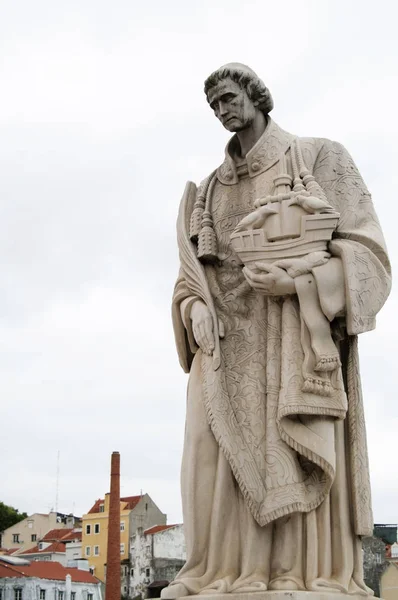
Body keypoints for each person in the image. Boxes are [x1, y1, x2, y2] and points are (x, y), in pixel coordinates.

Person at [163, 63, 391, 598]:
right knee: (207, 450)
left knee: (289, 448)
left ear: (255, 95)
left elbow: (369, 253)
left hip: (292, 336)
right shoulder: (210, 190)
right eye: (214, 104)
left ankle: (299, 572)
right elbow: (193, 273)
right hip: (222, 345)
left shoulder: (318, 156)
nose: (223, 110)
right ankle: (216, 572)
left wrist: (301, 284)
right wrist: (191, 305)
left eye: (229, 97)